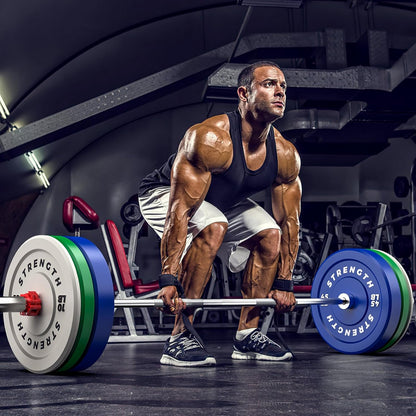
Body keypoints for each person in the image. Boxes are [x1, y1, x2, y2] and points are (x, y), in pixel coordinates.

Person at [138, 61, 302, 367]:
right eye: (268, 84)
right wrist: (168, 277)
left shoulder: (285, 154)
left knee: (270, 234)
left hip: (222, 202)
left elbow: (289, 221)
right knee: (213, 224)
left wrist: (285, 282)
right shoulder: (211, 138)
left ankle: (248, 334)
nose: (279, 90)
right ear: (244, 93)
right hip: (164, 195)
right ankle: (178, 336)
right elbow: (181, 210)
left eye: (282, 86)